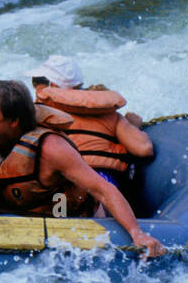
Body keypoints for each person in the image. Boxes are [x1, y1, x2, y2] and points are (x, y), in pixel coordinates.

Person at [0, 79, 165, 257]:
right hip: (21, 216)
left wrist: (137, 233)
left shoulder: (51, 148)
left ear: (14, 120)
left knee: (66, 201)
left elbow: (104, 190)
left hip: (67, 217)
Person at [28, 54, 154, 188]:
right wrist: (133, 126)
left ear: (52, 85)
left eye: (36, 82)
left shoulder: (40, 114)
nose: (35, 87)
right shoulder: (109, 113)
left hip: (63, 186)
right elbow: (144, 149)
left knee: (61, 203)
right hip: (104, 182)